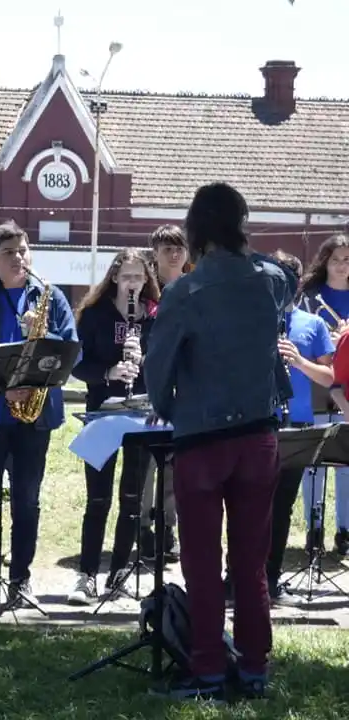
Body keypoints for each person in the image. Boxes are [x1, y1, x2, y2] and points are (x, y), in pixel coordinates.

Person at [144, 182, 297, 701]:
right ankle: (254, 667)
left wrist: (168, 408)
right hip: (259, 434)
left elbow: (157, 372)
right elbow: (283, 285)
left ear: (196, 229)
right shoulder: (273, 281)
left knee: (203, 563)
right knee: (251, 561)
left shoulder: (184, 293)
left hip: (202, 437)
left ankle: (207, 671)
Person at [0, 221, 78, 608]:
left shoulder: (50, 297)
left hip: (34, 418)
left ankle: (21, 577)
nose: (19, 257)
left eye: (23, 249)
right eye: (9, 251)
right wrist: (2, 385)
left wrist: (42, 340)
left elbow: (73, 352)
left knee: (27, 501)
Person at [223, 251, 334, 607]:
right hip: (254, 422)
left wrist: (298, 361)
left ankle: (270, 579)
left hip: (296, 423)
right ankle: (234, 580)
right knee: (243, 505)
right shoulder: (249, 320)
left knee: (281, 506)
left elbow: (331, 377)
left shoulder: (311, 324)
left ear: (297, 282)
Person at [66, 249, 159, 605]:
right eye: (127, 277)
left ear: (146, 280)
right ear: (115, 278)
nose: (132, 284)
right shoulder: (94, 315)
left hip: (142, 413)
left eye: (139, 277)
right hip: (102, 413)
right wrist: (109, 372)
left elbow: (169, 362)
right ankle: (86, 574)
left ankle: (119, 571)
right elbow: (77, 366)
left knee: (132, 498)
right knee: (98, 498)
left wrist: (145, 360)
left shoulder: (155, 315)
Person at [295, 232, 349, 555]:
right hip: (317, 382)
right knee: (312, 458)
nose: (342, 266)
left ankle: (345, 529)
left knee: (347, 461)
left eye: (347, 260)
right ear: (325, 261)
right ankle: (314, 530)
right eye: (336, 259)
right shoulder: (310, 297)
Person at [139, 224, 189, 563]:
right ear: (154, 254)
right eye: (167, 248)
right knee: (145, 467)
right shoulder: (145, 295)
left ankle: (168, 526)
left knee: (175, 467)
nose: (174, 254)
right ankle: (141, 527)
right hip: (147, 390)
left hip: (187, 392)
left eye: (179, 247)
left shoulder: (195, 290)